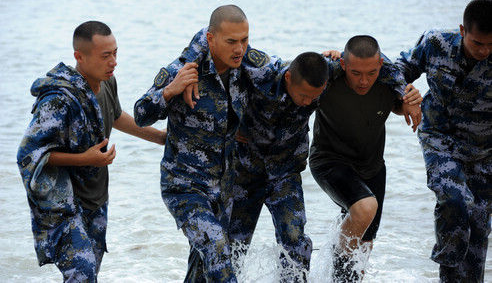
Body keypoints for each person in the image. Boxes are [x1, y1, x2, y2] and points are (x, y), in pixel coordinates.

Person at [181, 29, 422, 281]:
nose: (308, 103)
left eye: (314, 97)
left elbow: (376, 63)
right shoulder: (267, 71)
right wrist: (189, 68)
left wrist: (405, 93)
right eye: (304, 95)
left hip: (286, 174)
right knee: (230, 247)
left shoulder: (330, 73)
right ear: (287, 78)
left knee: (296, 246)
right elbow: (212, 38)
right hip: (246, 173)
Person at [17, 21, 166, 282]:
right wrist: (85, 159)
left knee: (89, 276)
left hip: (96, 200)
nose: (114, 62)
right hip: (63, 203)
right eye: (105, 56)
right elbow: (29, 154)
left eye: (116, 53)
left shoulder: (107, 82)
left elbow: (116, 116)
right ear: (79, 56)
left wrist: (161, 138)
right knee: (82, 274)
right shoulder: (59, 100)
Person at [134, 5, 267, 282]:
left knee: (201, 272)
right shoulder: (182, 71)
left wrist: (334, 60)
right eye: (231, 41)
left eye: (244, 39)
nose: (239, 48)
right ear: (210, 39)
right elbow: (141, 114)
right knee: (218, 252)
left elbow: (286, 73)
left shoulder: (246, 68)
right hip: (184, 187)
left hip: (224, 188)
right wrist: (171, 90)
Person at [309, 35, 422, 282]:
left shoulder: (389, 79)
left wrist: (410, 101)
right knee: (364, 208)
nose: (363, 81)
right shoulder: (329, 75)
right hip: (329, 160)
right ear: (344, 65)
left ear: (380, 64)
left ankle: (333, 272)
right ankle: (339, 276)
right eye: (356, 73)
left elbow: (398, 106)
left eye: (370, 73)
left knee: (364, 246)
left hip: (371, 167)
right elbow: (294, 77)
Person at [394, 0, 492, 283]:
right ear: (462, 31)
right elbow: (397, 70)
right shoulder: (436, 42)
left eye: (490, 44)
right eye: (477, 44)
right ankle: (447, 273)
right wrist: (406, 95)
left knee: (477, 225)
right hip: (440, 137)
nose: (485, 51)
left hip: (485, 150)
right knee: (454, 200)